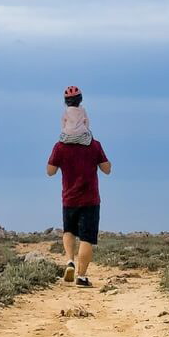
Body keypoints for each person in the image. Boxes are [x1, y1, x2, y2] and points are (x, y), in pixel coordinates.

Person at [47, 92, 111, 287]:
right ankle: (81, 277)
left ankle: (69, 260)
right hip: (91, 199)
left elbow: (50, 171)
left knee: (68, 231)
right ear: (85, 119)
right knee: (86, 238)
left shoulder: (59, 147)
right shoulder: (94, 145)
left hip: (69, 198)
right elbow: (107, 169)